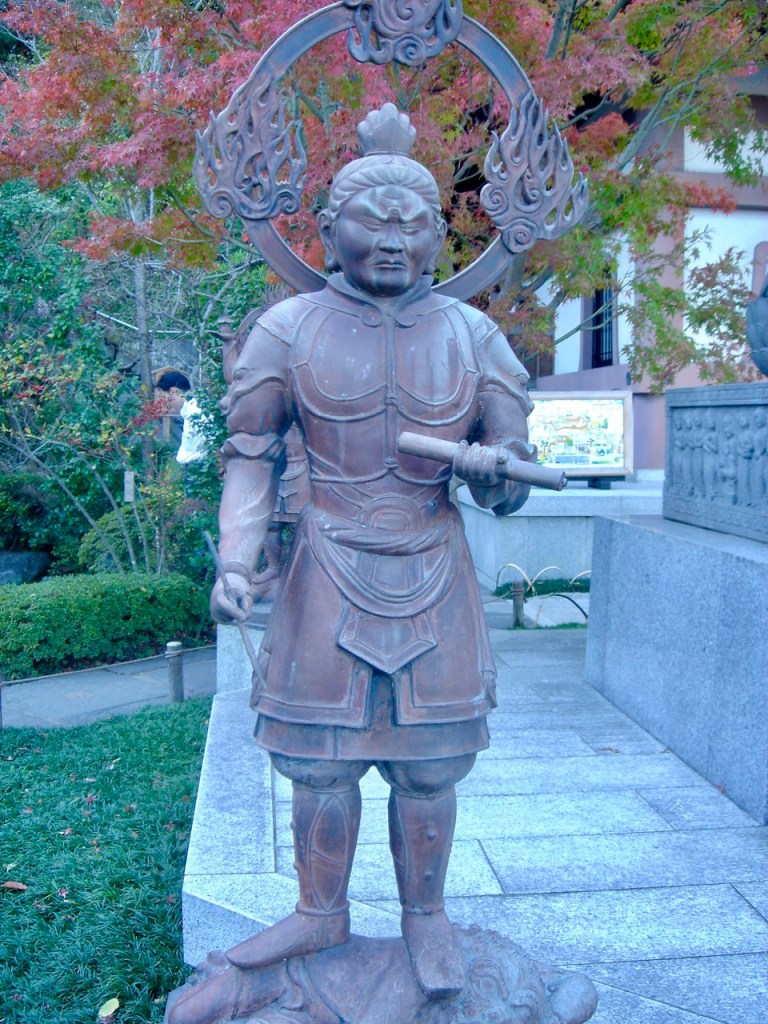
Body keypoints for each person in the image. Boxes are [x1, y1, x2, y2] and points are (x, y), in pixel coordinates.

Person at [209, 104, 536, 1004]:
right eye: (370, 220)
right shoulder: (290, 328)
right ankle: (320, 910)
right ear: (327, 229)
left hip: (432, 559)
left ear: (441, 234)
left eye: (413, 224)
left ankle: (426, 916)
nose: (391, 241)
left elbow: (509, 475)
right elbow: (251, 452)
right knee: (322, 756)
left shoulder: (474, 336)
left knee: (429, 763)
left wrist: (499, 471)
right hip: (326, 563)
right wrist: (238, 559)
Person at [155, 369, 206, 465]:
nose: (164, 403)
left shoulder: (195, 412)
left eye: (163, 397)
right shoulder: (191, 411)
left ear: (173, 392)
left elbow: (204, 450)